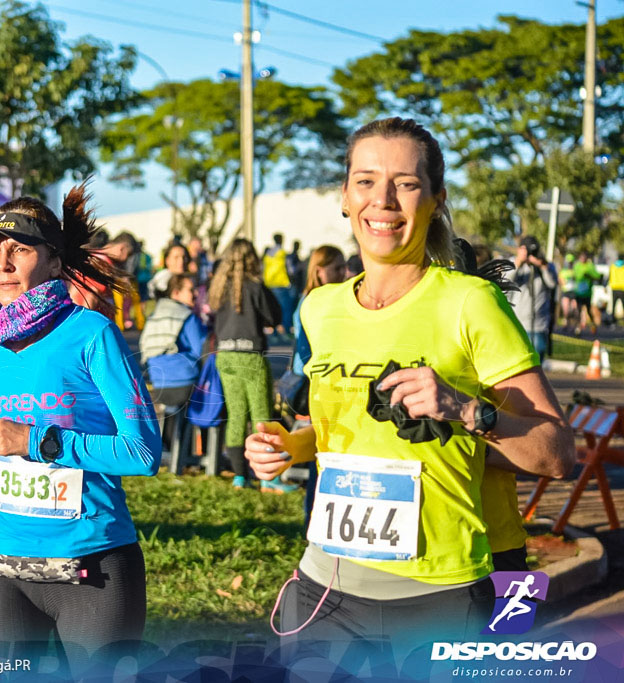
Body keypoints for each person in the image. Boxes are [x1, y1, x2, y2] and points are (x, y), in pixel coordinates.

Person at [245, 117, 574, 649]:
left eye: (407, 183)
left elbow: (557, 455)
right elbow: (338, 434)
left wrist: (465, 409)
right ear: (346, 197)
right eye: (367, 181)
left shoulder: (470, 302)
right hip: (325, 583)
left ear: (436, 199)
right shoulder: (320, 308)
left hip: (438, 595)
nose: (384, 199)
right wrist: (288, 447)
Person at [0, 184, 161, 674]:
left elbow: (142, 452)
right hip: (3, 561)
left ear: (54, 262)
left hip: (91, 566)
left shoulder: (92, 334)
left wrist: (33, 442)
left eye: (20, 250)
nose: (3, 264)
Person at [209, 238, 282, 489]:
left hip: (225, 355)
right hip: (251, 354)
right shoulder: (254, 286)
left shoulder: (218, 288)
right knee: (262, 415)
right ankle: (267, 478)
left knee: (236, 415)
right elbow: (275, 315)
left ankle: (240, 476)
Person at [280, 244, 347, 502]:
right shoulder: (311, 303)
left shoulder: (329, 298)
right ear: (319, 271)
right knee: (319, 445)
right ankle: (313, 509)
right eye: (337, 268)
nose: (344, 273)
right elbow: (308, 348)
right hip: (314, 380)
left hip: (322, 378)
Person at [140, 273, 208, 460]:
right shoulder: (187, 316)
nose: (195, 294)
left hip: (159, 382)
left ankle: (170, 450)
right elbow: (202, 351)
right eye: (190, 290)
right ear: (176, 293)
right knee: (216, 396)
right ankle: (207, 454)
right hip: (184, 382)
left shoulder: (155, 315)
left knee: (174, 410)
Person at [507, 235, 557, 359]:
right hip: (518, 322)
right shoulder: (513, 263)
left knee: (537, 360)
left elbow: (552, 283)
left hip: (539, 323)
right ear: (519, 250)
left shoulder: (546, 265)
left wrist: (542, 266)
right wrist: (519, 262)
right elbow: (507, 281)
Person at [263, 233, 294, 339]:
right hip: (281, 284)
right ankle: (285, 331)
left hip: (269, 284)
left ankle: (274, 333)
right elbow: (291, 269)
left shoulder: (268, 254)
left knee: (272, 309)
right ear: (281, 240)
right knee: (285, 309)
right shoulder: (282, 253)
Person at [572, 251, 600, 334]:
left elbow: (597, 276)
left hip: (587, 293)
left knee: (588, 310)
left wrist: (589, 275)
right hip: (579, 293)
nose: (583, 259)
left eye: (584, 258)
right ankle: (578, 328)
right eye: (581, 258)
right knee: (578, 311)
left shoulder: (590, 266)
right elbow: (575, 276)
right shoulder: (577, 266)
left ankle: (593, 325)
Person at [610, 253, 624, 326]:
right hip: (622, 288)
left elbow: (610, 276)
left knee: (613, 306)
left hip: (614, 288)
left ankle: (613, 321)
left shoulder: (613, 266)